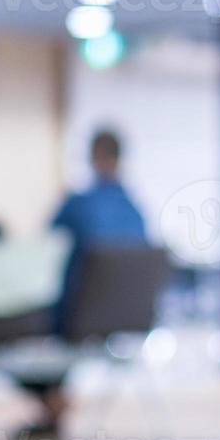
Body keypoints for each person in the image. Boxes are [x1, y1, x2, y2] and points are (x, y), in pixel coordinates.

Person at [50, 129, 147, 334]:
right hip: (127, 317)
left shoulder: (78, 204)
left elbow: (47, 238)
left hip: (76, 318)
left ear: (95, 157)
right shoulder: (137, 213)